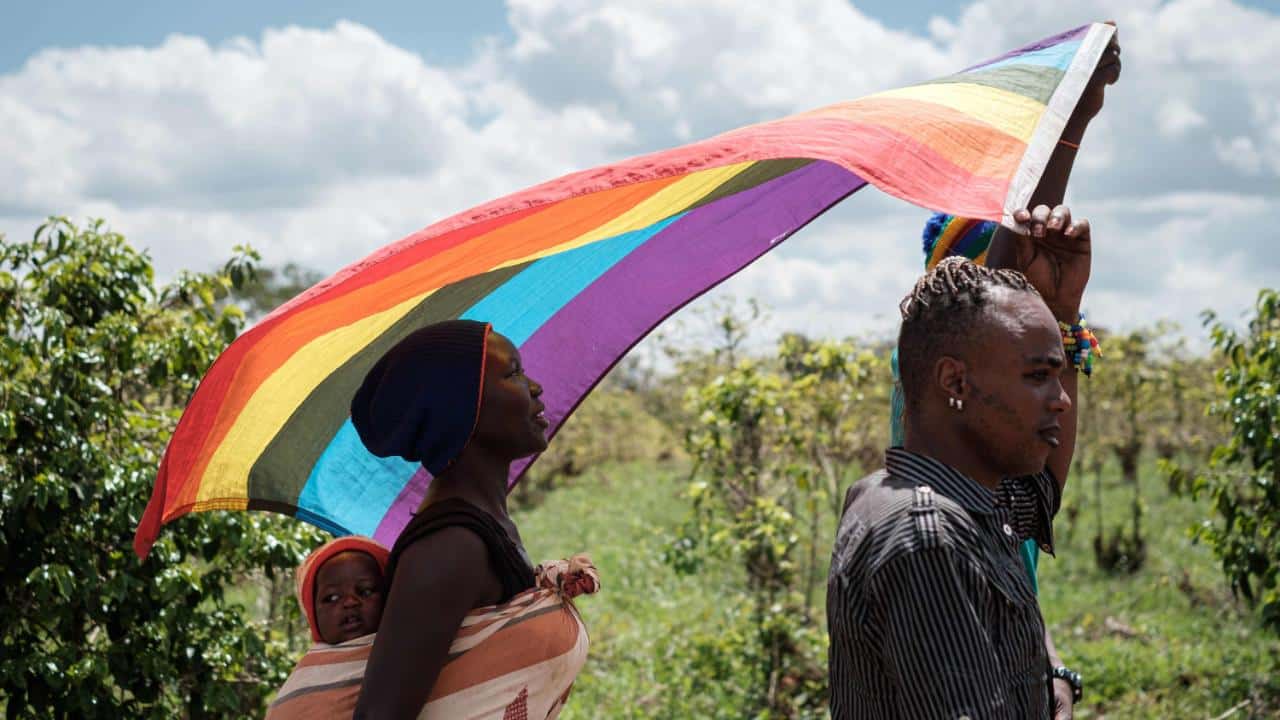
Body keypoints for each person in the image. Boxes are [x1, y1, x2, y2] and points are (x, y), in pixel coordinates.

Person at [828, 197, 1097, 718]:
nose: (1061, 397)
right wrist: (1073, 122)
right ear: (955, 381)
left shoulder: (969, 502)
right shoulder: (929, 537)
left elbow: (1041, 494)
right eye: (1038, 376)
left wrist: (1063, 311)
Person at [350, 319, 600, 720]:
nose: (534, 387)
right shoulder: (451, 546)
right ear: (461, 408)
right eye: (514, 372)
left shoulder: (486, 527)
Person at [266, 535, 391, 719]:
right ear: (313, 615)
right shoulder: (306, 678)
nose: (350, 602)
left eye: (365, 591)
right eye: (332, 597)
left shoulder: (405, 648)